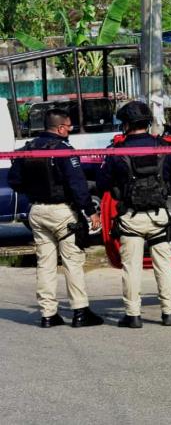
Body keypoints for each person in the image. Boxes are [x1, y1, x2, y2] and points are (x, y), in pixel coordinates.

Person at [96, 101, 171, 328]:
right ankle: (169, 313)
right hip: (159, 217)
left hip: (131, 218)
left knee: (132, 268)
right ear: (147, 123)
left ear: (126, 125)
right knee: (164, 266)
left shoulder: (116, 152)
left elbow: (102, 184)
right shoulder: (164, 148)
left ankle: (133, 315)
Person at [8, 108, 104, 328]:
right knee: (72, 261)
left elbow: (14, 180)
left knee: (45, 264)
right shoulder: (63, 150)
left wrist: (34, 190)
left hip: (37, 211)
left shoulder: (28, 149)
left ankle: (48, 314)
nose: (70, 130)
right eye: (69, 126)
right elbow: (77, 184)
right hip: (62, 212)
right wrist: (90, 210)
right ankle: (80, 311)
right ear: (61, 128)